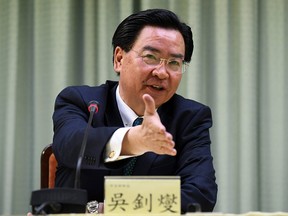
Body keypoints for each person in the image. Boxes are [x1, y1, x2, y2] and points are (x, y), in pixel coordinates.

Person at [52, 8, 217, 213]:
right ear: (119, 59)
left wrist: (108, 210)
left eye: (174, 63)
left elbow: (201, 194)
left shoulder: (190, 118)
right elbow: (70, 147)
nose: (161, 72)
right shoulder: (82, 102)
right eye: (151, 57)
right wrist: (132, 140)